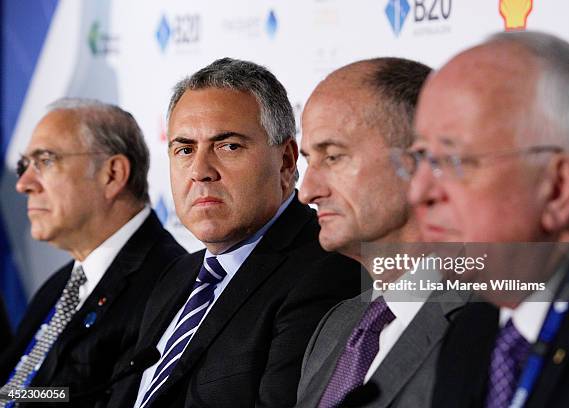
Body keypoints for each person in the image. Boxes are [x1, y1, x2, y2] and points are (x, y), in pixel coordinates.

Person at [106, 58, 361, 408]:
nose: (200, 171)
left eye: (228, 146)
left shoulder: (325, 269)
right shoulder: (178, 275)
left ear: (286, 161)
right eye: (184, 149)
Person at [408, 32, 569, 407]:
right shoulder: (473, 330)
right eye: (422, 157)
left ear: (557, 188)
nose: (418, 193)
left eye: (452, 161)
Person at [296, 58, 465, 407]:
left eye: (333, 157)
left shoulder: (494, 320)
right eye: (307, 160)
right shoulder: (333, 327)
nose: (307, 191)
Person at [0, 99, 186, 406]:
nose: (24, 184)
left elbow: (92, 398)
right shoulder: (60, 284)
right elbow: (18, 385)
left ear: (112, 174)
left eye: (44, 161)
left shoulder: (167, 284)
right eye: (24, 166)